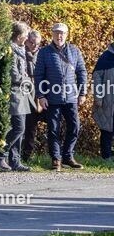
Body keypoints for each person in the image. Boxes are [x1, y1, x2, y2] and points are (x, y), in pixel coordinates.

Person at [34, 23, 87, 172]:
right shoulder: (44, 52)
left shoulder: (74, 51)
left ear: (67, 34)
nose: (59, 36)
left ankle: (68, 156)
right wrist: (41, 95)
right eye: (57, 33)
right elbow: (39, 75)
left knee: (75, 126)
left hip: (71, 97)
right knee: (53, 129)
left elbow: (82, 72)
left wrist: (82, 93)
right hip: (52, 97)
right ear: (52, 34)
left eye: (62, 33)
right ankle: (56, 159)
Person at [0, 21, 33, 172]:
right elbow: (14, 75)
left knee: (21, 129)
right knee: (18, 127)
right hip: (14, 92)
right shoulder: (11, 50)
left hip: (22, 93)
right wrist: (28, 80)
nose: (27, 36)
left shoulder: (22, 49)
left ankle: (15, 160)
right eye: (25, 34)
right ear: (19, 36)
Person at [22, 29, 43, 161]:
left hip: (40, 93)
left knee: (32, 126)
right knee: (26, 126)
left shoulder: (42, 54)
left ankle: (28, 154)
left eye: (37, 43)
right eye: (32, 42)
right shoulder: (22, 53)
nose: (34, 45)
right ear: (27, 41)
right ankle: (24, 155)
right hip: (25, 94)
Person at [92, 41, 114, 162]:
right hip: (107, 100)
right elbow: (97, 77)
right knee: (106, 129)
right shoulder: (106, 57)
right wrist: (98, 97)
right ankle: (106, 157)